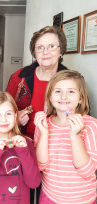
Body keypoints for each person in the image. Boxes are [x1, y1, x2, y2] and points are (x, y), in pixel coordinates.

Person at [34, 70, 97, 204]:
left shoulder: (91, 125)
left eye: (71, 91)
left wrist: (75, 136)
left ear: (80, 98)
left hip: (82, 200)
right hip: (49, 197)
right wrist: (44, 133)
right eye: (57, 91)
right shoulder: (43, 124)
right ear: (49, 97)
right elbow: (40, 166)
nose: (64, 97)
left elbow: (87, 171)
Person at [0, 92, 41, 204]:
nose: (3, 119)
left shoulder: (26, 143)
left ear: (15, 116)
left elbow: (34, 183)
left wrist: (23, 152)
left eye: (8, 114)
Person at [6, 26, 68, 140]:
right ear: (34, 52)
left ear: (61, 51)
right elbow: (2, 112)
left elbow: (82, 116)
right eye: (40, 47)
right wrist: (15, 120)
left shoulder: (72, 81)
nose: (45, 52)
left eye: (52, 46)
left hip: (57, 146)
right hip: (22, 144)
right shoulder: (19, 78)